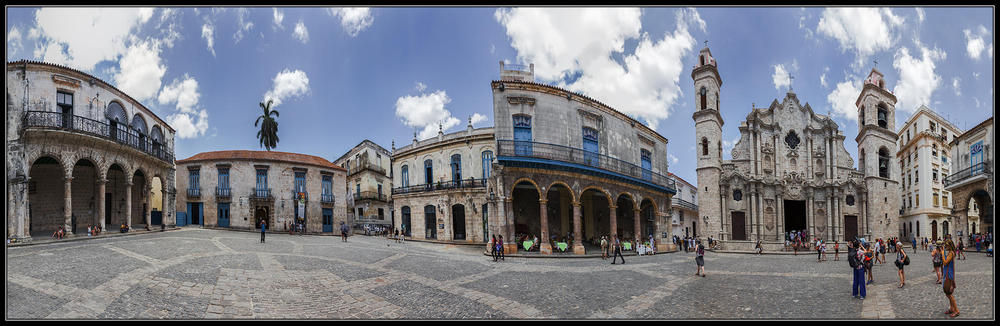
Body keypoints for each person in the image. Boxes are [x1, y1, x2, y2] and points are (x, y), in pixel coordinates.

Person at [941, 236, 958, 318]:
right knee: (948, 294)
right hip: (948, 274)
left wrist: (942, 254)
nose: (945, 247)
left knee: (949, 294)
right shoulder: (950, 252)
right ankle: (951, 308)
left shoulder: (951, 253)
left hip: (949, 275)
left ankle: (957, 310)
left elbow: (945, 262)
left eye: (946, 246)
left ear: (949, 246)